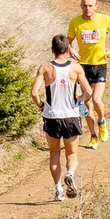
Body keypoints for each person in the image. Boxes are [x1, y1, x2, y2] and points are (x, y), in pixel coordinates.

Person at [33, 34, 87, 201]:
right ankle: (70, 174)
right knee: (72, 154)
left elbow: (34, 92)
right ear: (68, 50)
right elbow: (89, 92)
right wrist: (79, 99)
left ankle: (58, 190)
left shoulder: (45, 68)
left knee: (54, 153)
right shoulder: (76, 68)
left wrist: (41, 105)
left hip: (51, 117)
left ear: (52, 50)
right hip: (70, 115)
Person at [68, 0, 110, 149]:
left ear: (96, 6)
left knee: (96, 100)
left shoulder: (104, 19)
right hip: (82, 67)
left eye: (90, 6)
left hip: (100, 65)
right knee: (86, 103)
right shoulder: (75, 22)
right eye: (84, 5)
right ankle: (93, 136)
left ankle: (102, 122)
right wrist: (70, 50)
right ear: (81, 6)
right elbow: (67, 41)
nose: (87, 8)